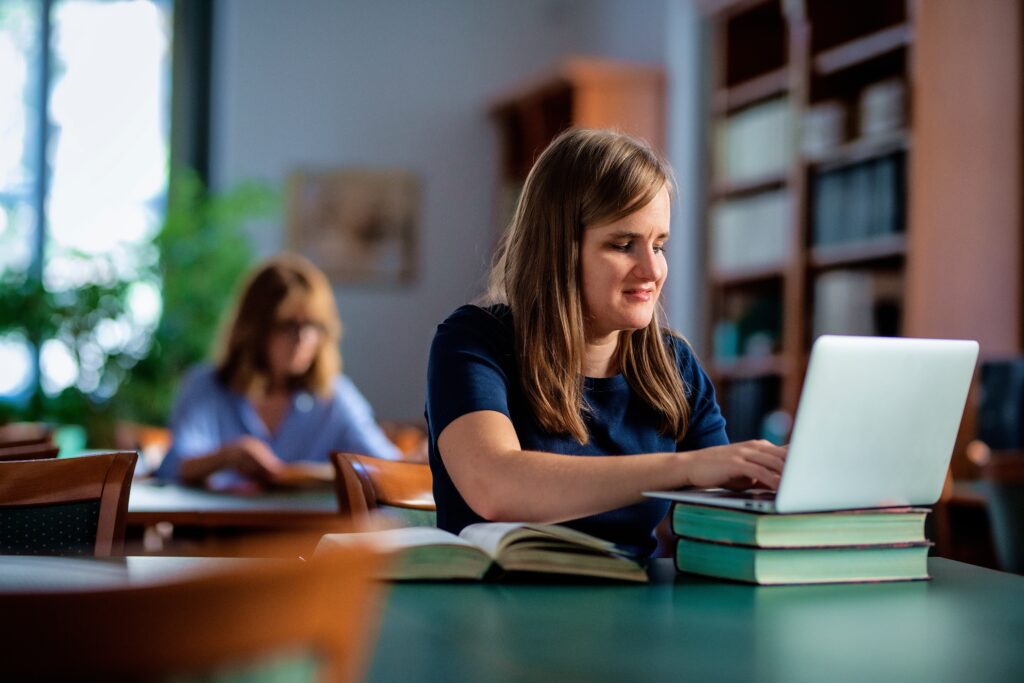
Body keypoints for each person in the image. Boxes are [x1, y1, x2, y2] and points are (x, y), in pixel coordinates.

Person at [426, 128, 786, 558]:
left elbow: (721, 513)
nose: (652, 270)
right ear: (558, 249)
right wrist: (684, 468)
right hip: (499, 610)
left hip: (640, 611)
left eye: (659, 245)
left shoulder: (675, 365)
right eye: (623, 244)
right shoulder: (474, 339)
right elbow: (495, 486)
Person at [158, 253, 400, 489]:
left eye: (313, 326)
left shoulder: (334, 396)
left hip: (312, 530)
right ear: (255, 329)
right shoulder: (207, 386)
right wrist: (227, 456)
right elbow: (172, 467)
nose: (302, 338)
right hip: (223, 528)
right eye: (288, 325)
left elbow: (389, 468)